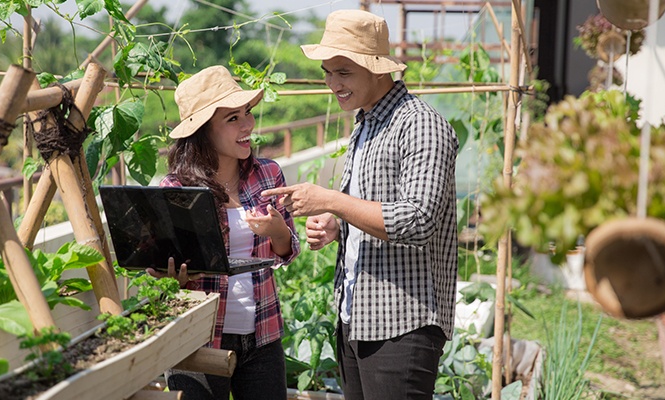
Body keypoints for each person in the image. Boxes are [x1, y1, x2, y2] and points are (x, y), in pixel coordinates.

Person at [261, 9, 459, 400]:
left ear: (378, 69)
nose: (332, 83)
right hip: (358, 317)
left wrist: (332, 200)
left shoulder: (419, 124)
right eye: (327, 72)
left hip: (402, 324)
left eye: (344, 72)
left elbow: (418, 220)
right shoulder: (366, 124)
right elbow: (374, 211)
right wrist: (339, 227)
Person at [147, 65, 300, 400]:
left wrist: (278, 232)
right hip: (197, 336)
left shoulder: (268, 174)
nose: (248, 125)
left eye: (247, 113)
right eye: (232, 118)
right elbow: (159, 270)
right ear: (202, 131)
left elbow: (289, 250)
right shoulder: (176, 189)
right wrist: (170, 274)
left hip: (262, 333)